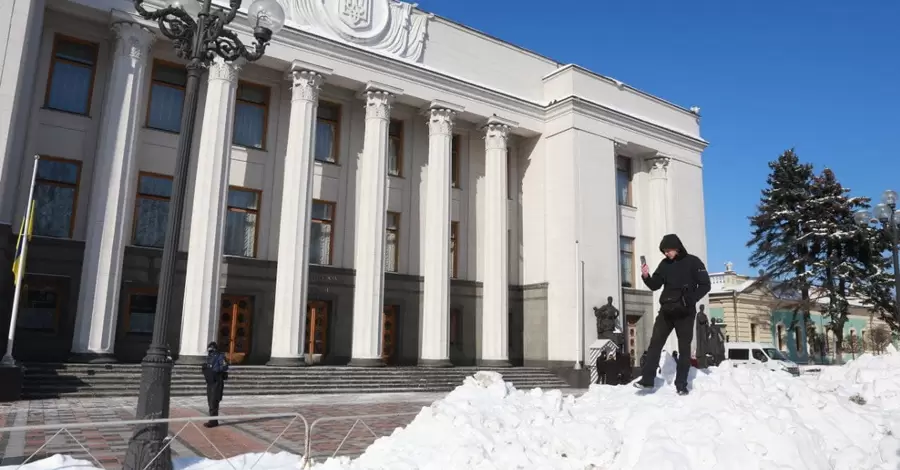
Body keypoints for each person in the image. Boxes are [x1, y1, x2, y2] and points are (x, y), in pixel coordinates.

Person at [633, 234, 710, 395]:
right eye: (664, 251)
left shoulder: (693, 262)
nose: (666, 254)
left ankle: (681, 384)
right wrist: (646, 276)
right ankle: (647, 380)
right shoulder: (664, 264)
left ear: (677, 247)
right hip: (666, 311)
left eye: (668, 250)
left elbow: (705, 285)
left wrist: (691, 299)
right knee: (655, 344)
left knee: (684, 349)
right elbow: (655, 285)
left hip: (685, 313)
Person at [201, 342, 229, 427]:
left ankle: (213, 421)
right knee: (210, 400)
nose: (210, 350)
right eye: (209, 348)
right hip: (210, 381)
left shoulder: (220, 356)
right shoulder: (209, 357)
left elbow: (225, 366)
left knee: (214, 400)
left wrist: (216, 370)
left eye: (211, 348)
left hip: (217, 380)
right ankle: (213, 419)